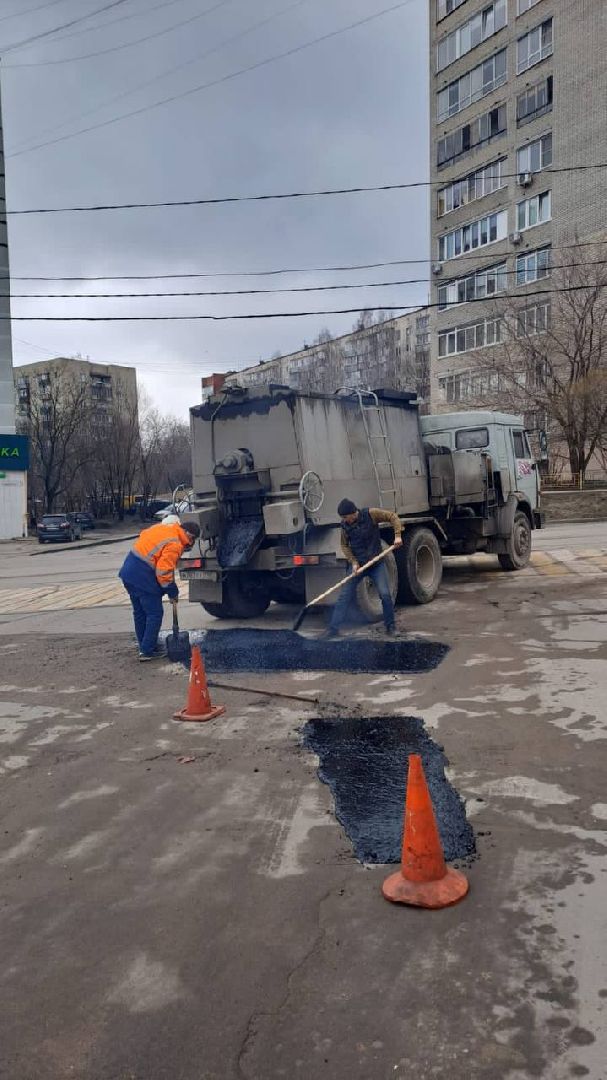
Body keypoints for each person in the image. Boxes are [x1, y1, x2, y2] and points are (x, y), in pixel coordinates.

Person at [119, 519, 201, 661]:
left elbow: (144, 536)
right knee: (155, 613)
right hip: (143, 576)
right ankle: (147, 651)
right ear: (190, 536)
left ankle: (145, 645)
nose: (190, 545)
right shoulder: (175, 543)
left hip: (128, 572)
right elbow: (163, 571)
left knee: (140, 612)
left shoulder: (162, 529)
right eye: (192, 540)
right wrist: (171, 590)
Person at [321, 499, 403, 639]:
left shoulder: (371, 514)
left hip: (376, 564)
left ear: (353, 513)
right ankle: (333, 629)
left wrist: (397, 536)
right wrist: (353, 562)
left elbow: (392, 517)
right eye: (343, 518)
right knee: (344, 596)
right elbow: (345, 546)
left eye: (346, 517)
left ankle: (391, 627)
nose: (344, 520)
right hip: (359, 565)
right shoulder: (345, 526)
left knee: (385, 594)